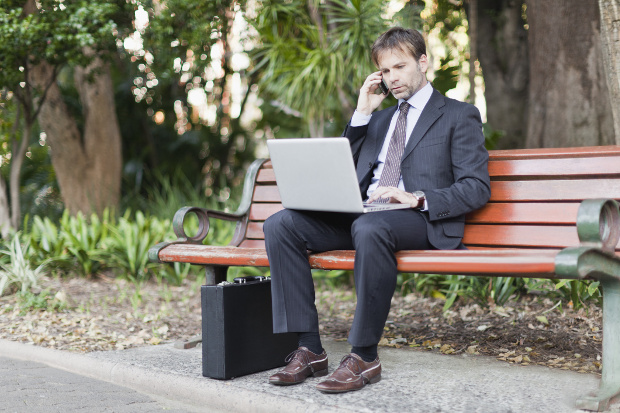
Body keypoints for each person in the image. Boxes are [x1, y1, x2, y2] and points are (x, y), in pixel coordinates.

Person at [263, 27, 491, 394]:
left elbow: (476, 187)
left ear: (423, 62)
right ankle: (309, 347)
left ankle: (364, 355)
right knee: (281, 225)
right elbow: (341, 168)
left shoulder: (458, 115)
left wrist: (417, 197)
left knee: (372, 229)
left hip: (419, 219)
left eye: (400, 67)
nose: (392, 78)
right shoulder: (378, 120)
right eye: (385, 71)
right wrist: (361, 114)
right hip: (363, 215)